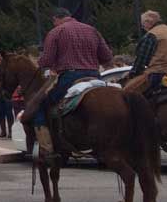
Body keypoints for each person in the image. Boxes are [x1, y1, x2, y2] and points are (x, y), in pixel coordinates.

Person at [21, 8, 113, 155]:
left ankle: (46, 147)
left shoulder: (56, 32)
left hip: (70, 77)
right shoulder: (92, 30)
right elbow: (107, 57)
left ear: (55, 19)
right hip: (95, 77)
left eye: (53, 22)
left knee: (39, 106)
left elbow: (46, 60)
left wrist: (41, 61)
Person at [130, 10, 167, 98]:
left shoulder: (151, 35)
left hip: (158, 74)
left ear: (148, 22)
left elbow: (141, 60)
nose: (143, 28)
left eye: (142, 25)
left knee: (129, 95)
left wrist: (133, 74)